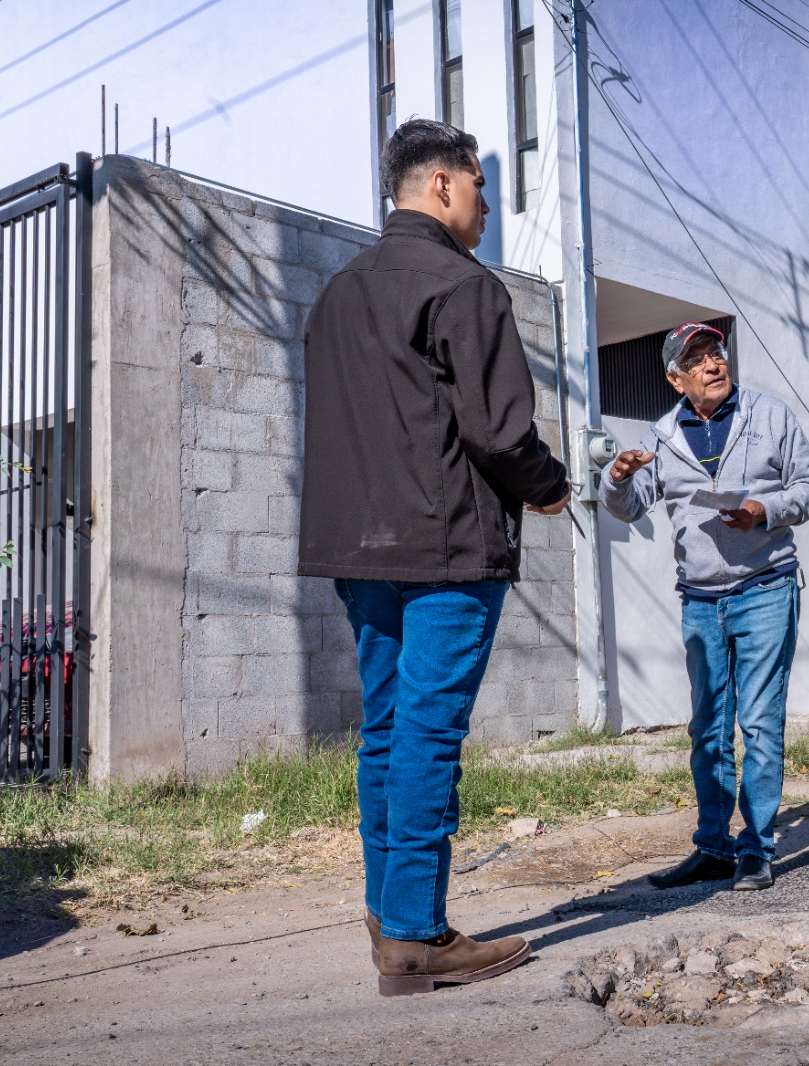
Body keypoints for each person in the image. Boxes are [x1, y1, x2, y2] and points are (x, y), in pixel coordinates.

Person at [298, 118, 570, 995]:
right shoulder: (463, 285)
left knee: (386, 728)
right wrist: (548, 485)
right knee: (427, 733)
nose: (487, 204)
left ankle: (390, 915)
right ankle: (417, 936)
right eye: (480, 185)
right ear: (443, 184)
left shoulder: (338, 293)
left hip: (359, 547)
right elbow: (500, 432)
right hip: (445, 544)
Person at [601, 324, 809, 892]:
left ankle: (756, 848)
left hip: (765, 588)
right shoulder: (663, 435)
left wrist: (763, 510)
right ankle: (713, 847)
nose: (712, 364)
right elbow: (630, 506)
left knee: (759, 723)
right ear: (675, 379)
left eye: (716, 353)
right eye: (696, 360)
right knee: (707, 729)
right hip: (700, 599)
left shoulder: (769, 415)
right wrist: (617, 478)